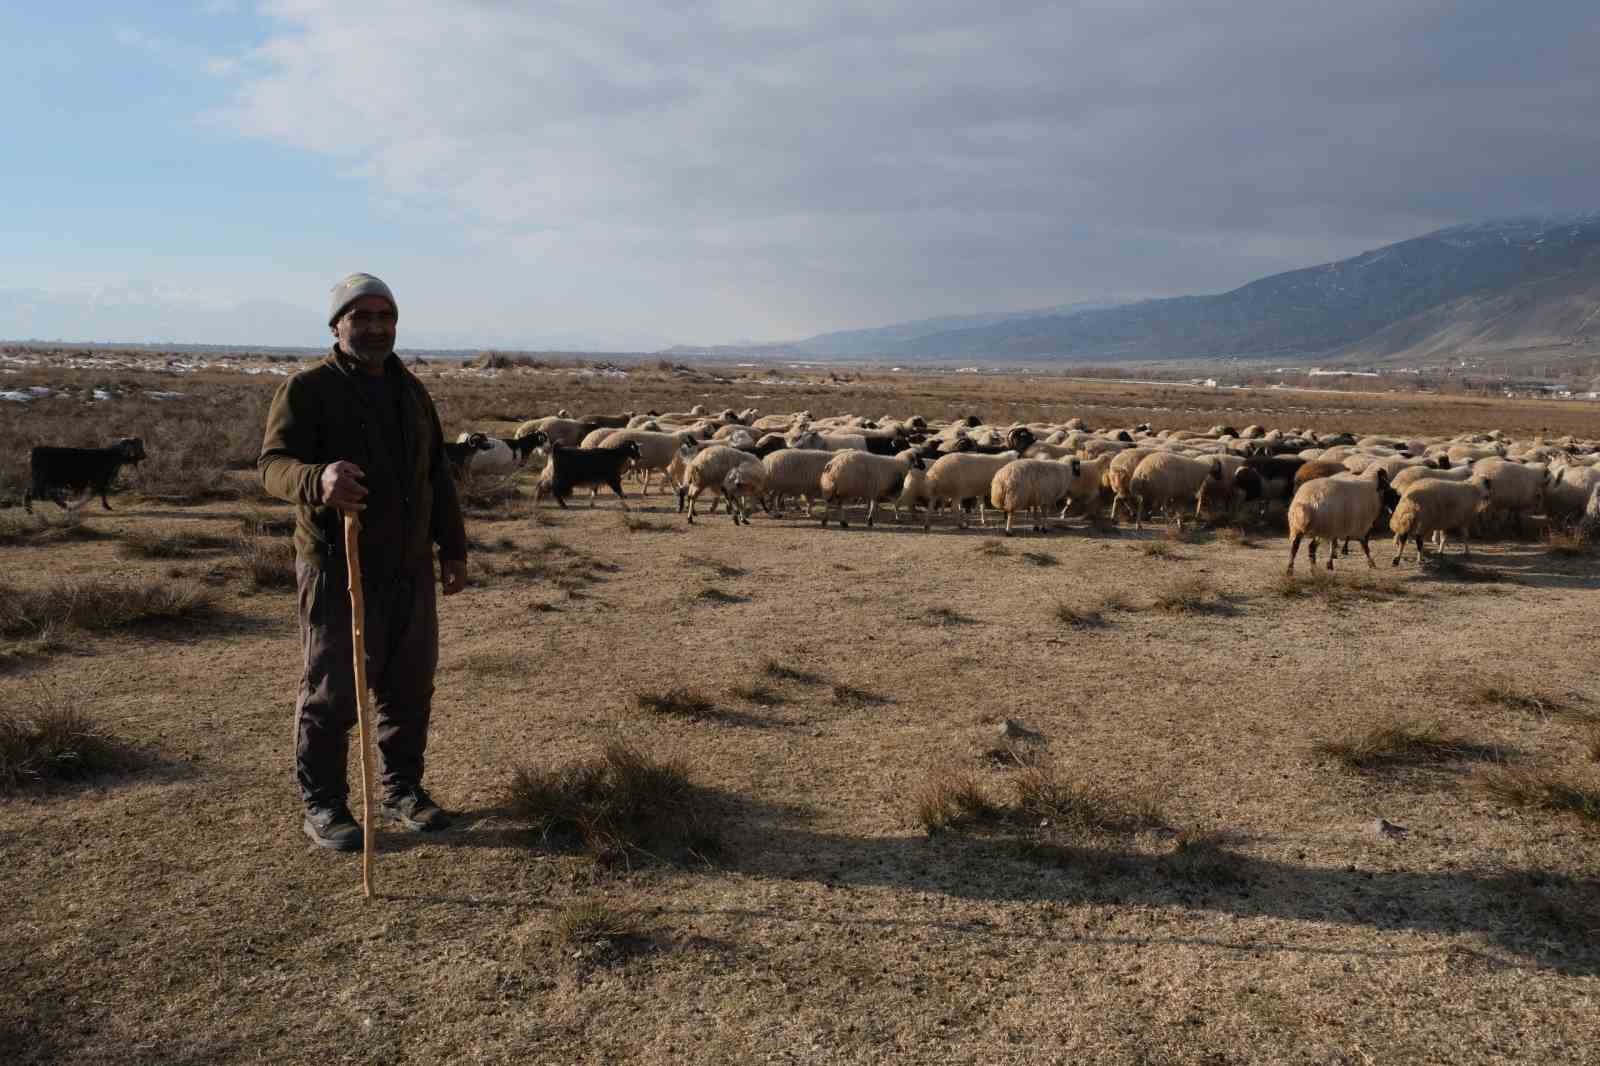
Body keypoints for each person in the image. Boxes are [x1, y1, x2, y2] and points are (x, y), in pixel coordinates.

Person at [258, 273, 468, 851]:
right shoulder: (307, 390)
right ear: (337, 324)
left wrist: (452, 549)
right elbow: (272, 464)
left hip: (409, 567)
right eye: (362, 316)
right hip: (337, 565)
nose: (376, 327)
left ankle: (403, 790)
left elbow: (436, 477)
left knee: (409, 686)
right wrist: (317, 478)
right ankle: (324, 804)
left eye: (385, 316)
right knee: (333, 690)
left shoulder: (412, 392)